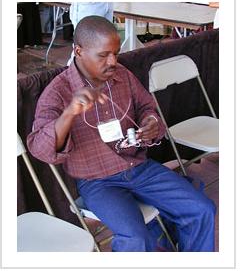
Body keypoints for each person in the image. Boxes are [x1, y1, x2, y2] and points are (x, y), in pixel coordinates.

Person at [27, 15, 216, 252]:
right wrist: (68, 114)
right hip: (97, 181)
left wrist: (150, 122)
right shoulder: (57, 92)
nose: (113, 61)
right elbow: (39, 149)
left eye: (115, 53)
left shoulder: (122, 75)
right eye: (103, 55)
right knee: (135, 238)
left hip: (138, 168)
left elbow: (148, 107)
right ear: (78, 51)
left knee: (201, 209)